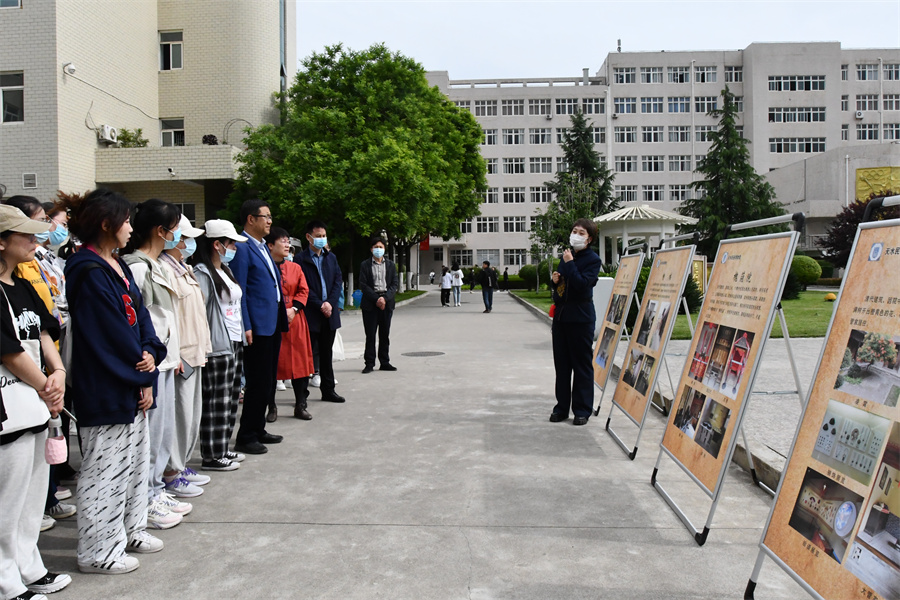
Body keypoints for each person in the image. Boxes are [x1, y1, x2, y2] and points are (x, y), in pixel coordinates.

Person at [61, 188, 168, 572]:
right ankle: (98, 551)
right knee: (105, 471)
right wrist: (141, 375)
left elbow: (141, 319)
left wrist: (151, 352)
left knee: (134, 466)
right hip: (106, 387)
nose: (130, 227)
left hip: (131, 382)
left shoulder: (115, 264)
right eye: (125, 221)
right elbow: (109, 335)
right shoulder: (88, 271)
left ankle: (131, 528)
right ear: (106, 225)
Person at [0, 204, 73, 598]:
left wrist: (57, 372)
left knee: (31, 497)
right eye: (25, 234)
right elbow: (9, 352)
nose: (35, 240)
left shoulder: (23, 282)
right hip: (10, 407)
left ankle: (29, 566)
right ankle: (5, 582)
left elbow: (45, 330)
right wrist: (48, 384)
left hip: (35, 403)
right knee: (7, 501)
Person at [121, 200, 195, 515]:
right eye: (175, 229)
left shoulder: (155, 264)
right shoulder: (137, 267)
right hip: (151, 363)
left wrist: (173, 355)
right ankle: (146, 498)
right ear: (160, 230)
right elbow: (139, 322)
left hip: (165, 361)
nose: (179, 237)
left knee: (163, 432)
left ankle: (155, 489)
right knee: (150, 435)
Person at [188, 220, 247, 471]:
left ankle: (222, 448)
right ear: (217, 245)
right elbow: (199, 311)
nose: (234, 248)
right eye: (231, 244)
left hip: (234, 341)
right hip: (217, 344)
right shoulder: (202, 273)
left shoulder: (225, 270)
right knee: (216, 401)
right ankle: (212, 455)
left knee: (231, 398)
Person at [159, 215, 212, 492]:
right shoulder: (164, 268)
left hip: (195, 351)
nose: (189, 242)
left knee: (190, 415)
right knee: (179, 416)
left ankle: (180, 466)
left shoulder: (182, 267)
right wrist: (176, 353)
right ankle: (170, 473)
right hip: (182, 355)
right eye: (185, 237)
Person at [231, 199, 288, 454]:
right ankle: (246, 435)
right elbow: (239, 290)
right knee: (257, 382)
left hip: (272, 323)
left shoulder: (263, 246)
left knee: (267, 381)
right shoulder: (242, 248)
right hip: (256, 326)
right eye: (265, 216)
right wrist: (246, 324)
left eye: (270, 216)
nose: (269, 221)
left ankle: (258, 427)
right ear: (250, 219)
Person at [548, 219, 603, 426]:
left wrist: (570, 264)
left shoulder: (593, 260)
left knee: (581, 366)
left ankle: (582, 410)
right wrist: (555, 281)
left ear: (589, 239)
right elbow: (563, 287)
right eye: (574, 231)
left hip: (581, 318)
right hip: (562, 317)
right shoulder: (566, 256)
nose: (576, 235)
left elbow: (581, 285)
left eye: (581, 233)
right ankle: (561, 408)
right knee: (562, 365)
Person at [266, 227, 315, 419]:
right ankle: (271, 406)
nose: (287, 245)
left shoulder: (295, 268)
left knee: (299, 364)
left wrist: (294, 309)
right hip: (272, 321)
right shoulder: (264, 267)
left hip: (295, 319)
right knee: (272, 364)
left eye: (288, 241)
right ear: (271, 245)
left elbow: (304, 291)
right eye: (283, 241)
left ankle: (300, 404)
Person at [295, 220, 345, 404]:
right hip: (311, 314)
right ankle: (301, 396)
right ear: (308, 237)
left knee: (326, 354)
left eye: (324, 236)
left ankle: (328, 390)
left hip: (329, 314)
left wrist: (330, 303)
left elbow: (337, 282)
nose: (322, 239)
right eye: (318, 236)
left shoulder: (331, 258)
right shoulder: (300, 260)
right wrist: (320, 304)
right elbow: (303, 287)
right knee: (305, 356)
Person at [359, 237, 399, 373]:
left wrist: (384, 299)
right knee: (370, 335)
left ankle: (384, 362)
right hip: (370, 304)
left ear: (384, 249)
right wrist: (377, 299)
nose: (378, 249)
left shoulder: (391, 265)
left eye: (381, 247)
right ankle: (369, 363)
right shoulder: (365, 265)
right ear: (371, 249)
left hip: (386, 303)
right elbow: (363, 284)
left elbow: (394, 284)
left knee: (384, 334)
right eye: (376, 247)